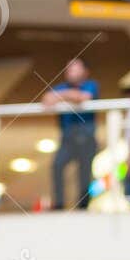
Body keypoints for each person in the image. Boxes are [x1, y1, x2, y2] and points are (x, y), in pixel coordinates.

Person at [42, 58, 99, 210]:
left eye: (74, 68)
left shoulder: (91, 84)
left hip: (86, 138)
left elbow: (84, 97)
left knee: (84, 172)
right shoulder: (61, 86)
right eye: (68, 69)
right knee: (57, 166)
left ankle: (83, 205)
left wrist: (61, 95)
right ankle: (59, 203)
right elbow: (47, 99)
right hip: (67, 139)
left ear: (85, 72)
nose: (69, 72)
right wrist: (70, 95)